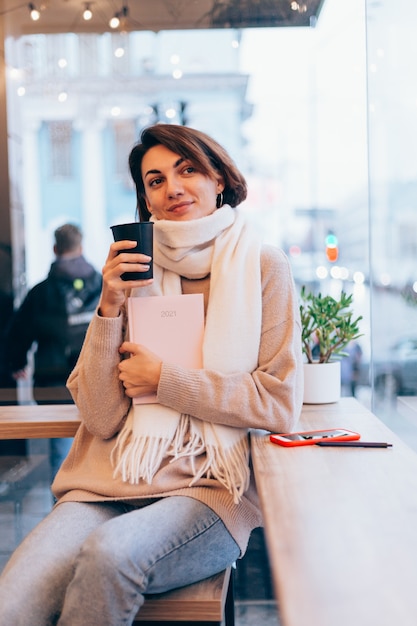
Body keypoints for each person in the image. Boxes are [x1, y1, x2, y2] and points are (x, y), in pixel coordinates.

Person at [0, 124, 303, 625]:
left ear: (219, 180)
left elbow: (277, 402)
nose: (173, 188)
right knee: (12, 603)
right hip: (105, 484)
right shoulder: (133, 270)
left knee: (110, 556)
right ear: (146, 198)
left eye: (188, 170)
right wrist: (109, 307)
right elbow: (99, 415)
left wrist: (165, 379)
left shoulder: (263, 266)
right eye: (155, 180)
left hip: (205, 488)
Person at [5, 223, 102, 479]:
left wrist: (17, 363)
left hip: (54, 382)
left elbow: (18, 332)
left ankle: (63, 508)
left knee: (63, 451)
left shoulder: (40, 292)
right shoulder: (104, 286)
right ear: (80, 247)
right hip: (98, 380)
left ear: (55, 248)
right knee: (103, 446)